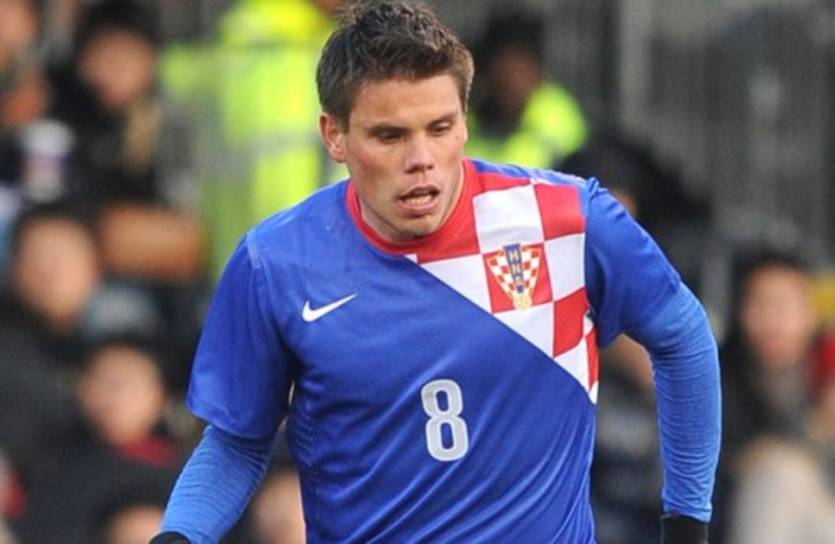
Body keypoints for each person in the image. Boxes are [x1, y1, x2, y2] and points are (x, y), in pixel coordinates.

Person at [153, 2, 720, 543]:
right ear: (335, 136)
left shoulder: (567, 221)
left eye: (440, 127)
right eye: (390, 135)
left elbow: (684, 339)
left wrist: (687, 523)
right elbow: (237, 441)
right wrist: (180, 535)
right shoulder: (276, 263)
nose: (420, 158)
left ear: (464, 123)